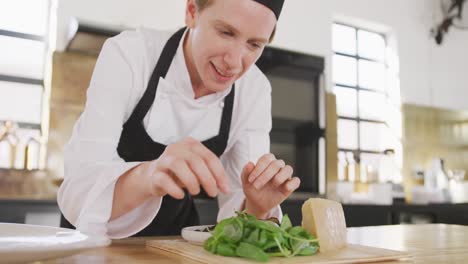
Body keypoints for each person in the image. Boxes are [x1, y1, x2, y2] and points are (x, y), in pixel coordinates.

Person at [58, 0, 300, 239]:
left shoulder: (254, 90)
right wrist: (150, 176)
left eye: (254, 44)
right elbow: (78, 193)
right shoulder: (130, 54)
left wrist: (257, 208)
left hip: (172, 245)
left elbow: (240, 207)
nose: (235, 63)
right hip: (91, 244)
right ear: (191, 12)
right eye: (226, 32)